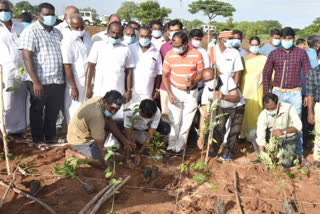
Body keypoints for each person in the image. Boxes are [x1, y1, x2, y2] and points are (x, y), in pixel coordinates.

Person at [263, 27, 311, 165]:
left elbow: (308, 74)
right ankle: (276, 153)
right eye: (284, 39)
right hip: (277, 92)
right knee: (275, 123)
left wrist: (307, 94)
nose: (287, 41)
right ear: (281, 39)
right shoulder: (274, 54)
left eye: (289, 39)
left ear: (293, 39)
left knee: (297, 124)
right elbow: (266, 74)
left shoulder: (301, 53)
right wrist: (267, 94)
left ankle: (300, 155)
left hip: (295, 93)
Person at [20, 3, 65, 149]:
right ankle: (38, 139)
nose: (50, 17)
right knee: (37, 110)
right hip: (39, 80)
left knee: (53, 110)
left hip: (56, 80)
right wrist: (35, 82)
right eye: (46, 14)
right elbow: (27, 57)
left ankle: (51, 136)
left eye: (52, 14)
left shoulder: (57, 32)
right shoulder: (31, 31)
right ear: (39, 15)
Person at [67, 90, 136, 169]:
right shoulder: (97, 116)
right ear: (104, 101)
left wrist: (124, 140)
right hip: (80, 140)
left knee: (119, 123)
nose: (113, 112)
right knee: (108, 162)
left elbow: (109, 121)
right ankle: (74, 154)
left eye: (117, 109)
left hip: (85, 130)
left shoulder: (100, 100)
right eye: (112, 108)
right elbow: (100, 148)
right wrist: (110, 170)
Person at [162, 32, 204, 153]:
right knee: (174, 121)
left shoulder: (196, 54)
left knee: (186, 123)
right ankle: (171, 147)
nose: (175, 48)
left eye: (178, 46)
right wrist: (170, 93)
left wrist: (194, 81)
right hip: (175, 90)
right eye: (173, 45)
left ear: (186, 44)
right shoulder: (170, 55)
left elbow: (201, 73)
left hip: (190, 93)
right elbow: (165, 76)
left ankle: (179, 148)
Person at [86, 21, 135, 119]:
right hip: (100, 90)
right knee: (97, 117)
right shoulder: (98, 46)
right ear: (108, 32)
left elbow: (129, 71)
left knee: (116, 119)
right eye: (113, 32)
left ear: (122, 34)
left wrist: (129, 90)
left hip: (118, 90)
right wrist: (88, 87)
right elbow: (90, 67)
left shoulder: (125, 49)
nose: (115, 35)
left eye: (118, 33)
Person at [201, 68, 245, 160]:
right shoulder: (206, 91)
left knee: (235, 130)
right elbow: (204, 113)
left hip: (237, 105)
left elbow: (237, 98)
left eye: (211, 79)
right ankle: (213, 152)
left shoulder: (227, 79)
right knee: (219, 128)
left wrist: (223, 96)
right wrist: (201, 135)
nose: (209, 82)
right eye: (206, 80)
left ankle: (228, 153)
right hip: (222, 107)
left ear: (216, 76)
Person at [0, 0, 28, 135]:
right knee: (7, 101)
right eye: (1, 10)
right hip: (5, 71)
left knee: (21, 99)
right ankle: (5, 130)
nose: (4, 13)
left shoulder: (20, 26)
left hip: (23, 69)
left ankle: (20, 129)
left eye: (6, 10)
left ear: (11, 11)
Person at [255, 93, 302, 168]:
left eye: (272, 108)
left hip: (288, 138)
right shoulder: (263, 115)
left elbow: (298, 126)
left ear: (278, 104)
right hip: (273, 139)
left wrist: (283, 131)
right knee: (253, 133)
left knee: (286, 163)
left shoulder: (289, 108)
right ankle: (263, 156)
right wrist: (263, 158)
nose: (270, 110)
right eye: (267, 108)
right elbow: (260, 136)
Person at [61, 14, 92, 124]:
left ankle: (84, 136)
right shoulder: (67, 41)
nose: (80, 30)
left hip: (88, 80)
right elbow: (67, 65)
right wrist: (73, 87)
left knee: (87, 109)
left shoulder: (87, 37)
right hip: (75, 82)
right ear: (70, 27)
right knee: (74, 110)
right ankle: (73, 136)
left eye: (82, 27)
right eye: (76, 27)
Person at [124, 99, 170, 167]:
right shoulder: (130, 112)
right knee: (118, 126)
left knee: (165, 128)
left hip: (146, 129)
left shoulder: (156, 112)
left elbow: (151, 133)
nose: (148, 118)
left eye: (150, 116)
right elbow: (127, 134)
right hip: (134, 128)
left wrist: (140, 153)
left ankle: (150, 147)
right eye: (145, 116)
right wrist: (128, 159)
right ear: (140, 111)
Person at [239, 36, 267, 142]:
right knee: (244, 112)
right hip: (244, 88)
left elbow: (269, 75)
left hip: (258, 88)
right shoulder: (243, 59)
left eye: (257, 45)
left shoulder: (264, 59)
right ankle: (242, 135)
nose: (255, 47)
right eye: (253, 45)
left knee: (257, 111)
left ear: (259, 45)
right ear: (249, 45)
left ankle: (255, 136)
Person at [129, 26, 162, 104]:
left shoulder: (156, 52)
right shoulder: (131, 48)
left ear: (151, 37)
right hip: (132, 91)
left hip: (148, 92)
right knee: (130, 114)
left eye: (146, 36)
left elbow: (159, 73)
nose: (144, 38)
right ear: (138, 36)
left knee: (145, 114)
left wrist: (157, 90)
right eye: (142, 36)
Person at [159, 19, 183, 120]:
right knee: (165, 116)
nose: (174, 33)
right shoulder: (164, 47)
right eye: (172, 30)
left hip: (181, 88)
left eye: (177, 30)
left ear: (182, 30)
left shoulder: (190, 47)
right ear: (168, 31)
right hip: (165, 87)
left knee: (179, 118)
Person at [302, 34, 320, 147]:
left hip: (305, 91)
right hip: (312, 93)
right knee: (312, 117)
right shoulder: (313, 56)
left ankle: (308, 140)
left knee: (307, 117)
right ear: (317, 44)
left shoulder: (305, 53)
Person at [306, 62, 320, 168]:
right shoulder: (313, 72)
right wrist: (310, 112)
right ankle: (317, 158)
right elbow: (310, 94)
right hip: (319, 105)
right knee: (319, 132)